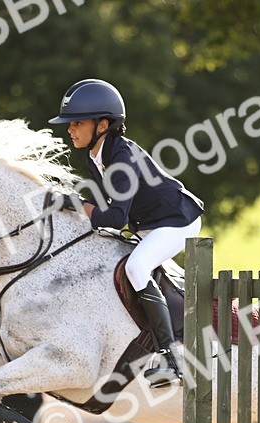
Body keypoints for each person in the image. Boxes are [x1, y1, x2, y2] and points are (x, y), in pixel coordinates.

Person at [48, 78, 205, 389]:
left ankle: (172, 357)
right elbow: (108, 210)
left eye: (77, 122)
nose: (70, 129)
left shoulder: (123, 157)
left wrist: (76, 204)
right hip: (148, 223)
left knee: (136, 267)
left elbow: (113, 217)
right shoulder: (96, 155)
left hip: (176, 221)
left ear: (103, 124)